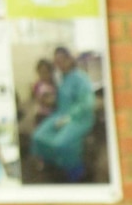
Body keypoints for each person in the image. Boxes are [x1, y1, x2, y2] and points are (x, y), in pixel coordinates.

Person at [32, 46, 95, 182]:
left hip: (80, 118)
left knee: (60, 143)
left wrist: (69, 118)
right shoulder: (62, 78)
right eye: (56, 62)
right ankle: (55, 165)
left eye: (61, 60)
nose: (59, 64)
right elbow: (60, 99)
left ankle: (77, 173)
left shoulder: (81, 78)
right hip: (60, 114)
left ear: (69, 59)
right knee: (38, 136)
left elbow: (87, 104)